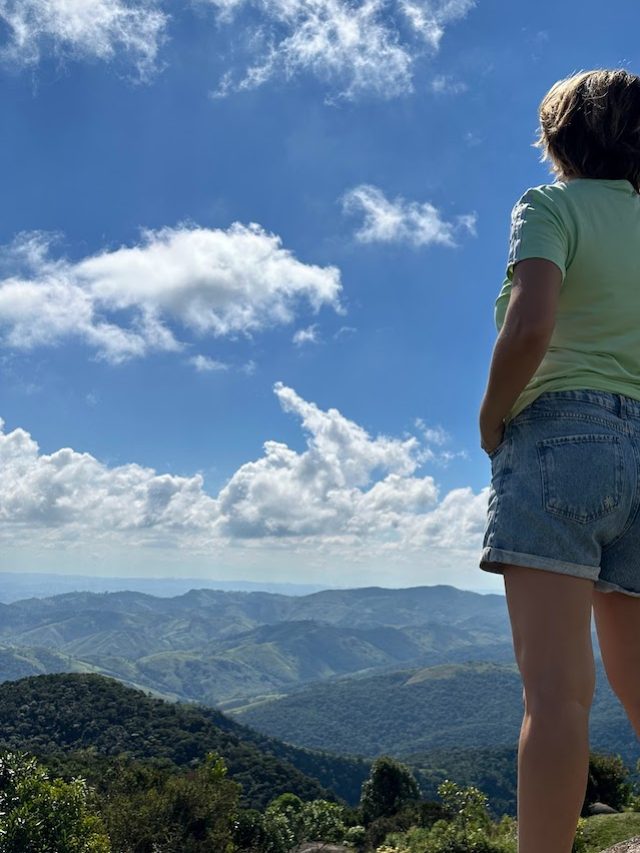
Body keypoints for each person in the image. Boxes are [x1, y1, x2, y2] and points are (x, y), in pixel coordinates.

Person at [478, 68, 640, 853]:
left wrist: (492, 415)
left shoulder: (549, 207)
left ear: (560, 139)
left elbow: (532, 324)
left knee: (557, 695)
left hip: (562, 439)